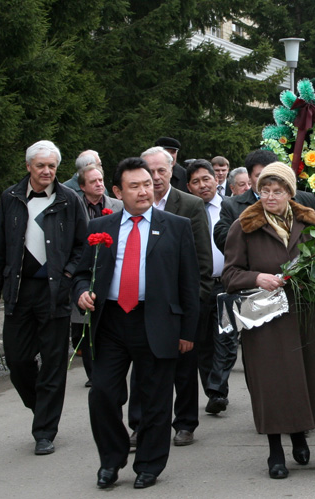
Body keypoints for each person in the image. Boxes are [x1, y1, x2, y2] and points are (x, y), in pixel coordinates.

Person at [74, 157, 200, 489]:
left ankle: (149, 463)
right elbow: (82, 273)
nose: (144, 191)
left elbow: (190, 283)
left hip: (156, 321)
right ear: (118, 191)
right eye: (135, 186)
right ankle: (111, 460)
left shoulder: (175, 226)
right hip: (111, 322)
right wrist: (80, 294)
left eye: (147, 184)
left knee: (156, 398)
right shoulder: (99, 228)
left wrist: (188, 332)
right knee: (102, 393)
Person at [222, 162, 315, 480]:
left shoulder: (308, 220)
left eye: (277, 191)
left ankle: (298, 435)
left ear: (289, 192)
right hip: (264, 317)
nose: (270, 196)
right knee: (271, 385)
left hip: (302, 313)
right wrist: (258, 277)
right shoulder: (245, 225)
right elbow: (229, 274)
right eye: (264, 190)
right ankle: (275, 452)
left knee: (301, 378)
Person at [0, 140, 88, 455]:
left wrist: (69, 275)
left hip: (55, 291)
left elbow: (83, 244)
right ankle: (40, 405)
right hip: (19, 288)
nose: (46, 171)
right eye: (40, 165)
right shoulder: (11, 198)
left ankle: (44, 431)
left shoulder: (69, 200)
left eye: (51, 166)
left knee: (54, 362)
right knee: (17, 359)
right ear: (29, 166)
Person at [127, 146, 212, 448]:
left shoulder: (188, 205)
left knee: (184, 366)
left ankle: (185, 422)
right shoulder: (132, 206)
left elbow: (202, 262)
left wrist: (193, 307)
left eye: (162, 170)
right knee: (142, 368)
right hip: (141, 305)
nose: (156, 177)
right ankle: (139, 424)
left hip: (179, 305)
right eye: (149, 172)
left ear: (171, 169)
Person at [186, 159, 240, 415]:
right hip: (199, 286)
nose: (202, 185)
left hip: (226, 285)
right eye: (195, 182)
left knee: (227, 338)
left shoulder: (229, 207)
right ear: (189, 186)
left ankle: (218, 389)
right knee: (204, 343)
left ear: (216, 180)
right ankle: (212, 389)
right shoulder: (185, 211)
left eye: (206, 179)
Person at [214, 149, 315, 250]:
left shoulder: (307, 200)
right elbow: (224, 241)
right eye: (260, 175)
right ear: (249, 176)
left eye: (272, 175)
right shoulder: (232, 206)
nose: (266, 181)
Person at [73, 165, 123, 384]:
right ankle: (93, 373)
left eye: (101, 180)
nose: (99, 184)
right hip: (87, 271)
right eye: (93, 182)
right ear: (82, 186)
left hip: (112, 276)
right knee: (85, 325)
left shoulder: (119, 206)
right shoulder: (75, 207)